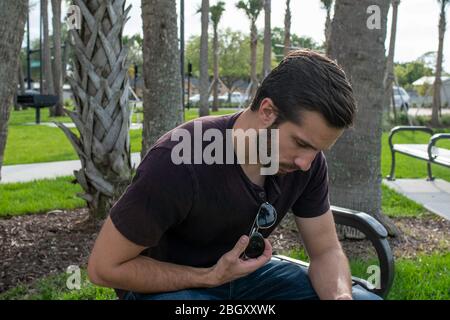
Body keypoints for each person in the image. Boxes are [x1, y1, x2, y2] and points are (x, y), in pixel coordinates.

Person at [87, 49, 382, 300]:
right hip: (173, 286)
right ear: (267, 111)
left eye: (318, 150)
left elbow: (326, 251)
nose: (306, 162)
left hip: (249, 278)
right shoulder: (179, 159)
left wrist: (340, 294)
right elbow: (104, 267)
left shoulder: (307, 163)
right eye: (301, 144)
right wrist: (207, 277)